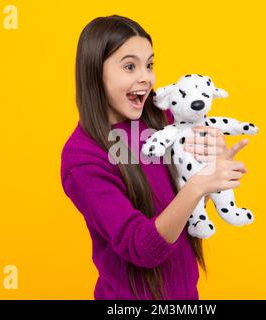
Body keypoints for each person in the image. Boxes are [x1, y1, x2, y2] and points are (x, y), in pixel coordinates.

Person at [60, 14, 249, 300]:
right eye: (129, 66)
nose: (145, 78)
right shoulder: (82, 157)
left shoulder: (163, 120)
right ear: (95, 72)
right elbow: (141, 248)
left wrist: (211, 163)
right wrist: (197, 185)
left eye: (149, 65)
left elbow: (189, 195)